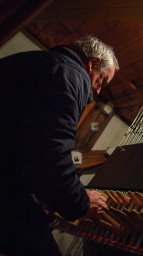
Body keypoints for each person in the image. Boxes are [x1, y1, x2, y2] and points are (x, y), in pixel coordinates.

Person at [0, 35, 119, 255]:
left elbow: (24, 144)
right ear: (92, 64)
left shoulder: (41, 63)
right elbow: (50, 155)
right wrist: (81, 203)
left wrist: (42, 196)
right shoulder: (71, 74)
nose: (98, 91)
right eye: (101, 81)